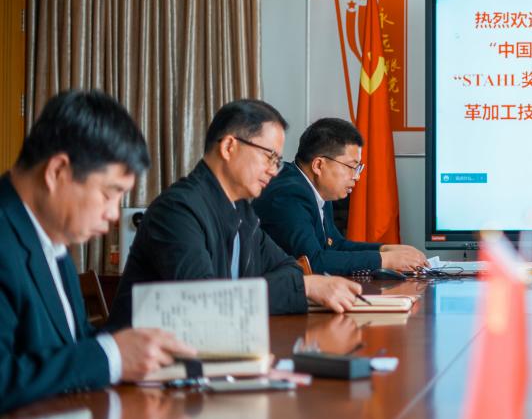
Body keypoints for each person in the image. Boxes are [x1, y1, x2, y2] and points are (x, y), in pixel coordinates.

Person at [0, 90, 194, 413]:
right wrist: (111, 357)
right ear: (57, 172)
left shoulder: (51, 236)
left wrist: (138, 352)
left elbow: (71, 343)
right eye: (108, 194)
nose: (114, 214)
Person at [109, 99, 361, 329]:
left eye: (277, 161)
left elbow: (287, 267)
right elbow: (203, 300)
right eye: (269, 157)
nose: (274, 171)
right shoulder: (178, 210)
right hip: (147, 360)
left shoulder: (241, 212)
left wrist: (293, 284)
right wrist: (305, 286)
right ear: (229, 146)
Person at [255, 118, 427, 275]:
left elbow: (335, 245)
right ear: (319, 165)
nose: (356, 177)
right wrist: (385, 260)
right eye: (351, 167)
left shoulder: (316, 188)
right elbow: (313, 263)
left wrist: (385, 249)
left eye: (358, 168)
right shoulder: (288, 194)